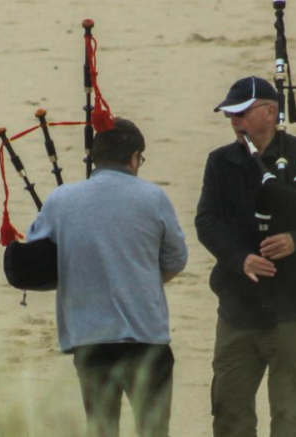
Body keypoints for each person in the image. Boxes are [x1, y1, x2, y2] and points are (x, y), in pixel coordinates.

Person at [195, 76, 296, 437]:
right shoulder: (220, 162)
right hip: (238, 308)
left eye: (242, 112)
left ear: (270, 112)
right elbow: (207, 221)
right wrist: (240, 259)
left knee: (289, 415)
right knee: (229, 414)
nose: (235, 121)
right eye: (230, 115)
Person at [27, 118, 188, 437]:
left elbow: (33, 254)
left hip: (90, 337)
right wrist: (142, 279)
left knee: (100, 428)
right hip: (145, 336)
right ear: (133, 157)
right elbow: (176, 259)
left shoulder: (61, 199)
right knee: (153, 430)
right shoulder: (153, 197)